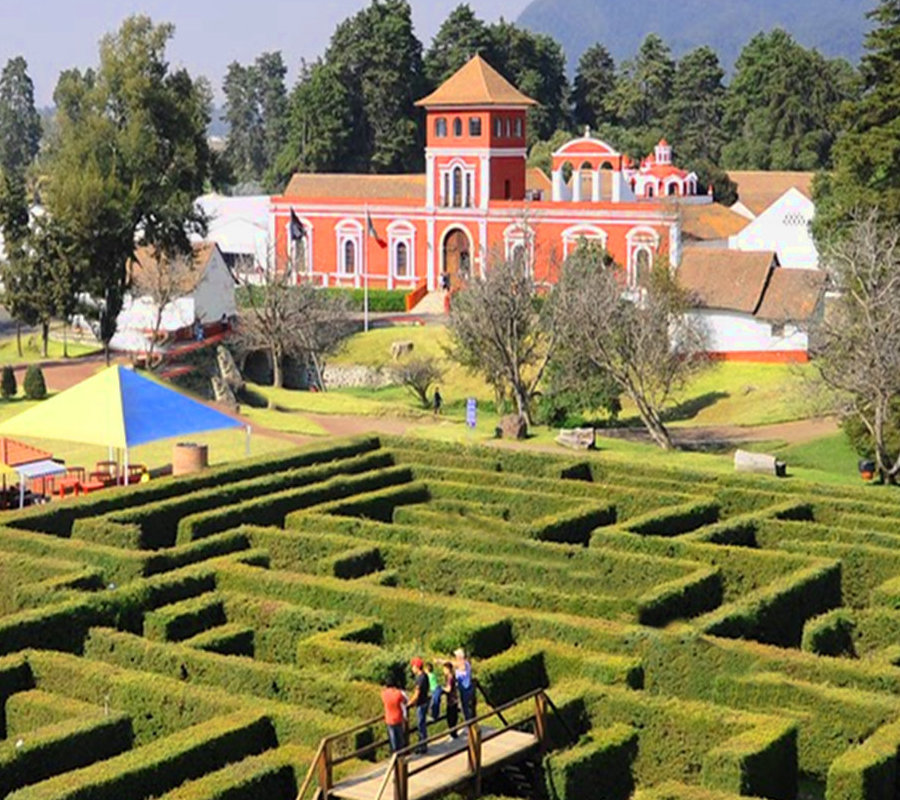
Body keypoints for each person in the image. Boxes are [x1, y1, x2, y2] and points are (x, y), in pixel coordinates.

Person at [407, 657, 430, 754]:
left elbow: (417, 694)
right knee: (422, 724)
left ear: (417, 667)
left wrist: (409, 703)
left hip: (421, 704)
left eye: (413, 666)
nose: (412, 668)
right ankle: (423, 744)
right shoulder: (425, 676)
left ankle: (422, 746)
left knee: (421, 725)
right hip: (425, 702)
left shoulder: (419, 679)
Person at [381, 676, 407, 753]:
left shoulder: (384, 694)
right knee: (400, 737)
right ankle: (401, 754)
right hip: (398, 717)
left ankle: (394, 754)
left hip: (389, 718)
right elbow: (405, 701)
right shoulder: (398, 693)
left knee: (392, 738)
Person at [454, 648, 475, 722]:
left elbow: (454, 664)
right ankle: (472, 727)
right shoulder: (466, 663)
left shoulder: (463, 664)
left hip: (465, 690)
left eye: (456, 656)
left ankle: (471, 728)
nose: (455, 658)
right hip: (467, 689)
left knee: (467, 710)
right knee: (468, 710)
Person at [442, 661, 460, 738]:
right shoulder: (452, 676)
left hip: (451, 701)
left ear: (448, 669)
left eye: (444, 669)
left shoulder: (450, 678)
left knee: (451, 718)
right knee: (454, 717)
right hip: (454, 699)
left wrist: (442, 688)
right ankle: (453, 732)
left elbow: (448, 689)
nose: (443, 671)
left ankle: (453, 733)